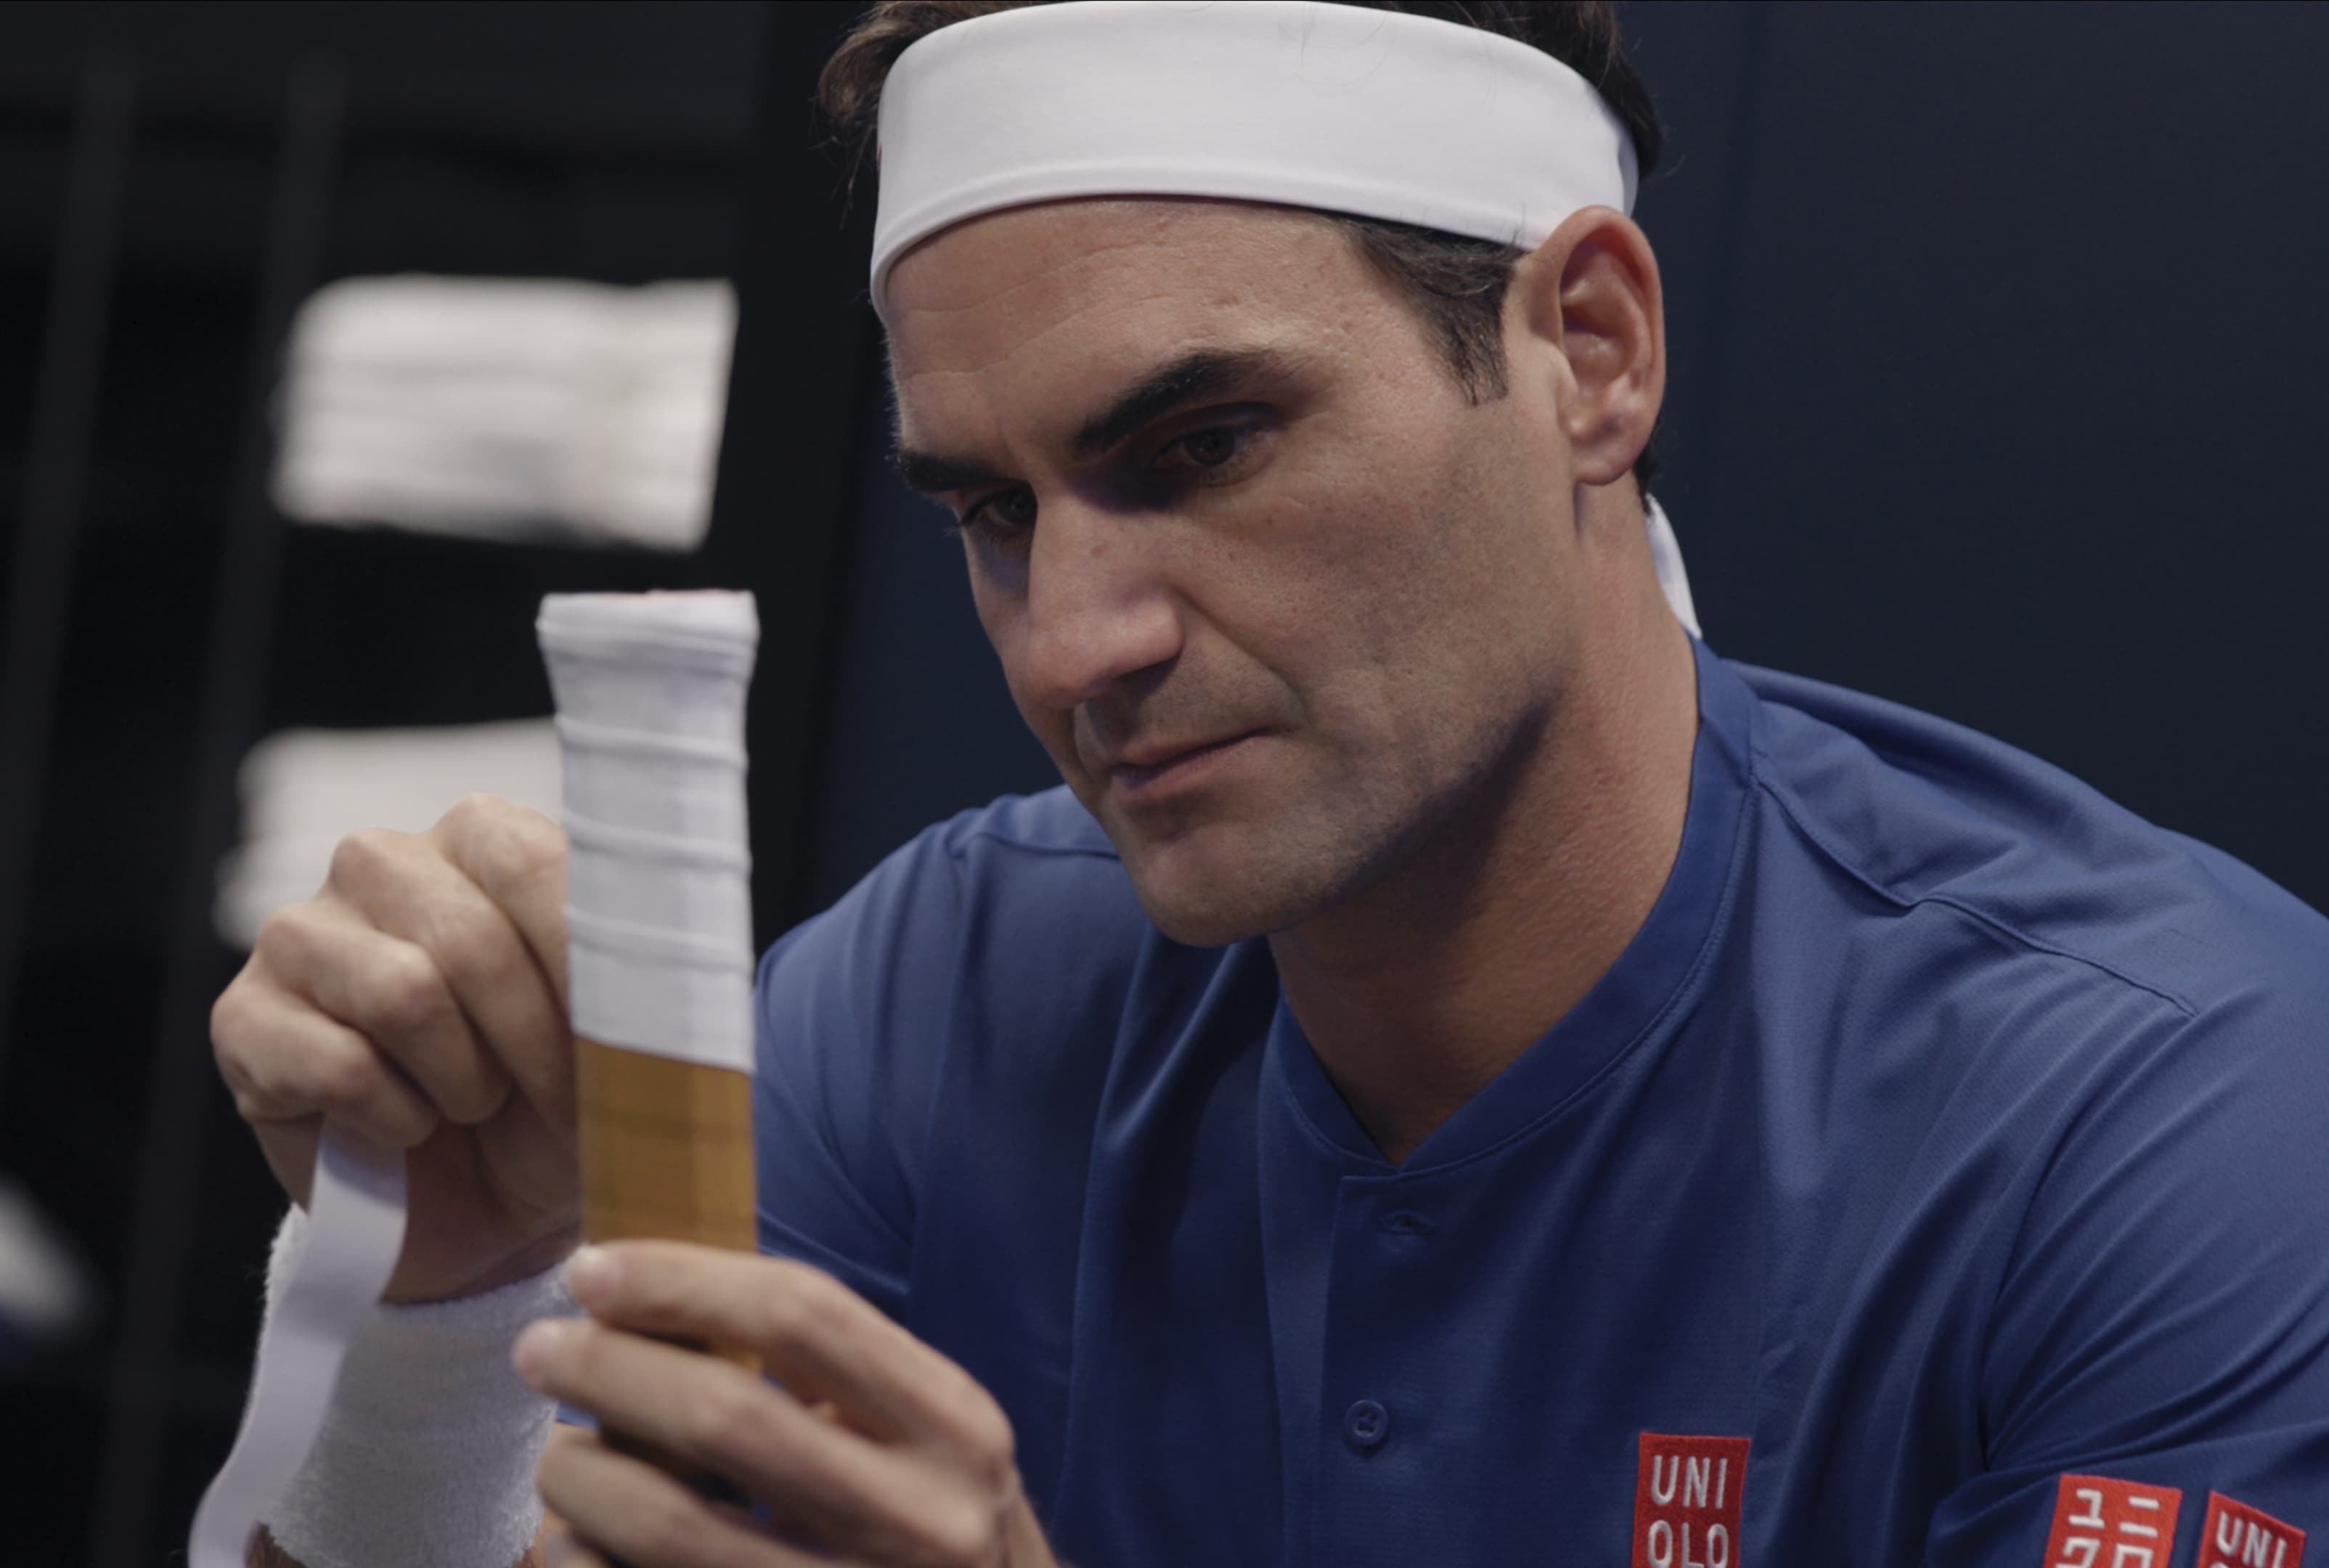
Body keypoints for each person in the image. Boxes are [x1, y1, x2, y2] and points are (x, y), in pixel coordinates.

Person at [208, 3, 2329, 1564]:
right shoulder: (934, 999)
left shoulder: (2164, 1117)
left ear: (1589, 354)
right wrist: (438, 1334)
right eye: (994, 511)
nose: (1075, 645)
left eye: (1203, 446)